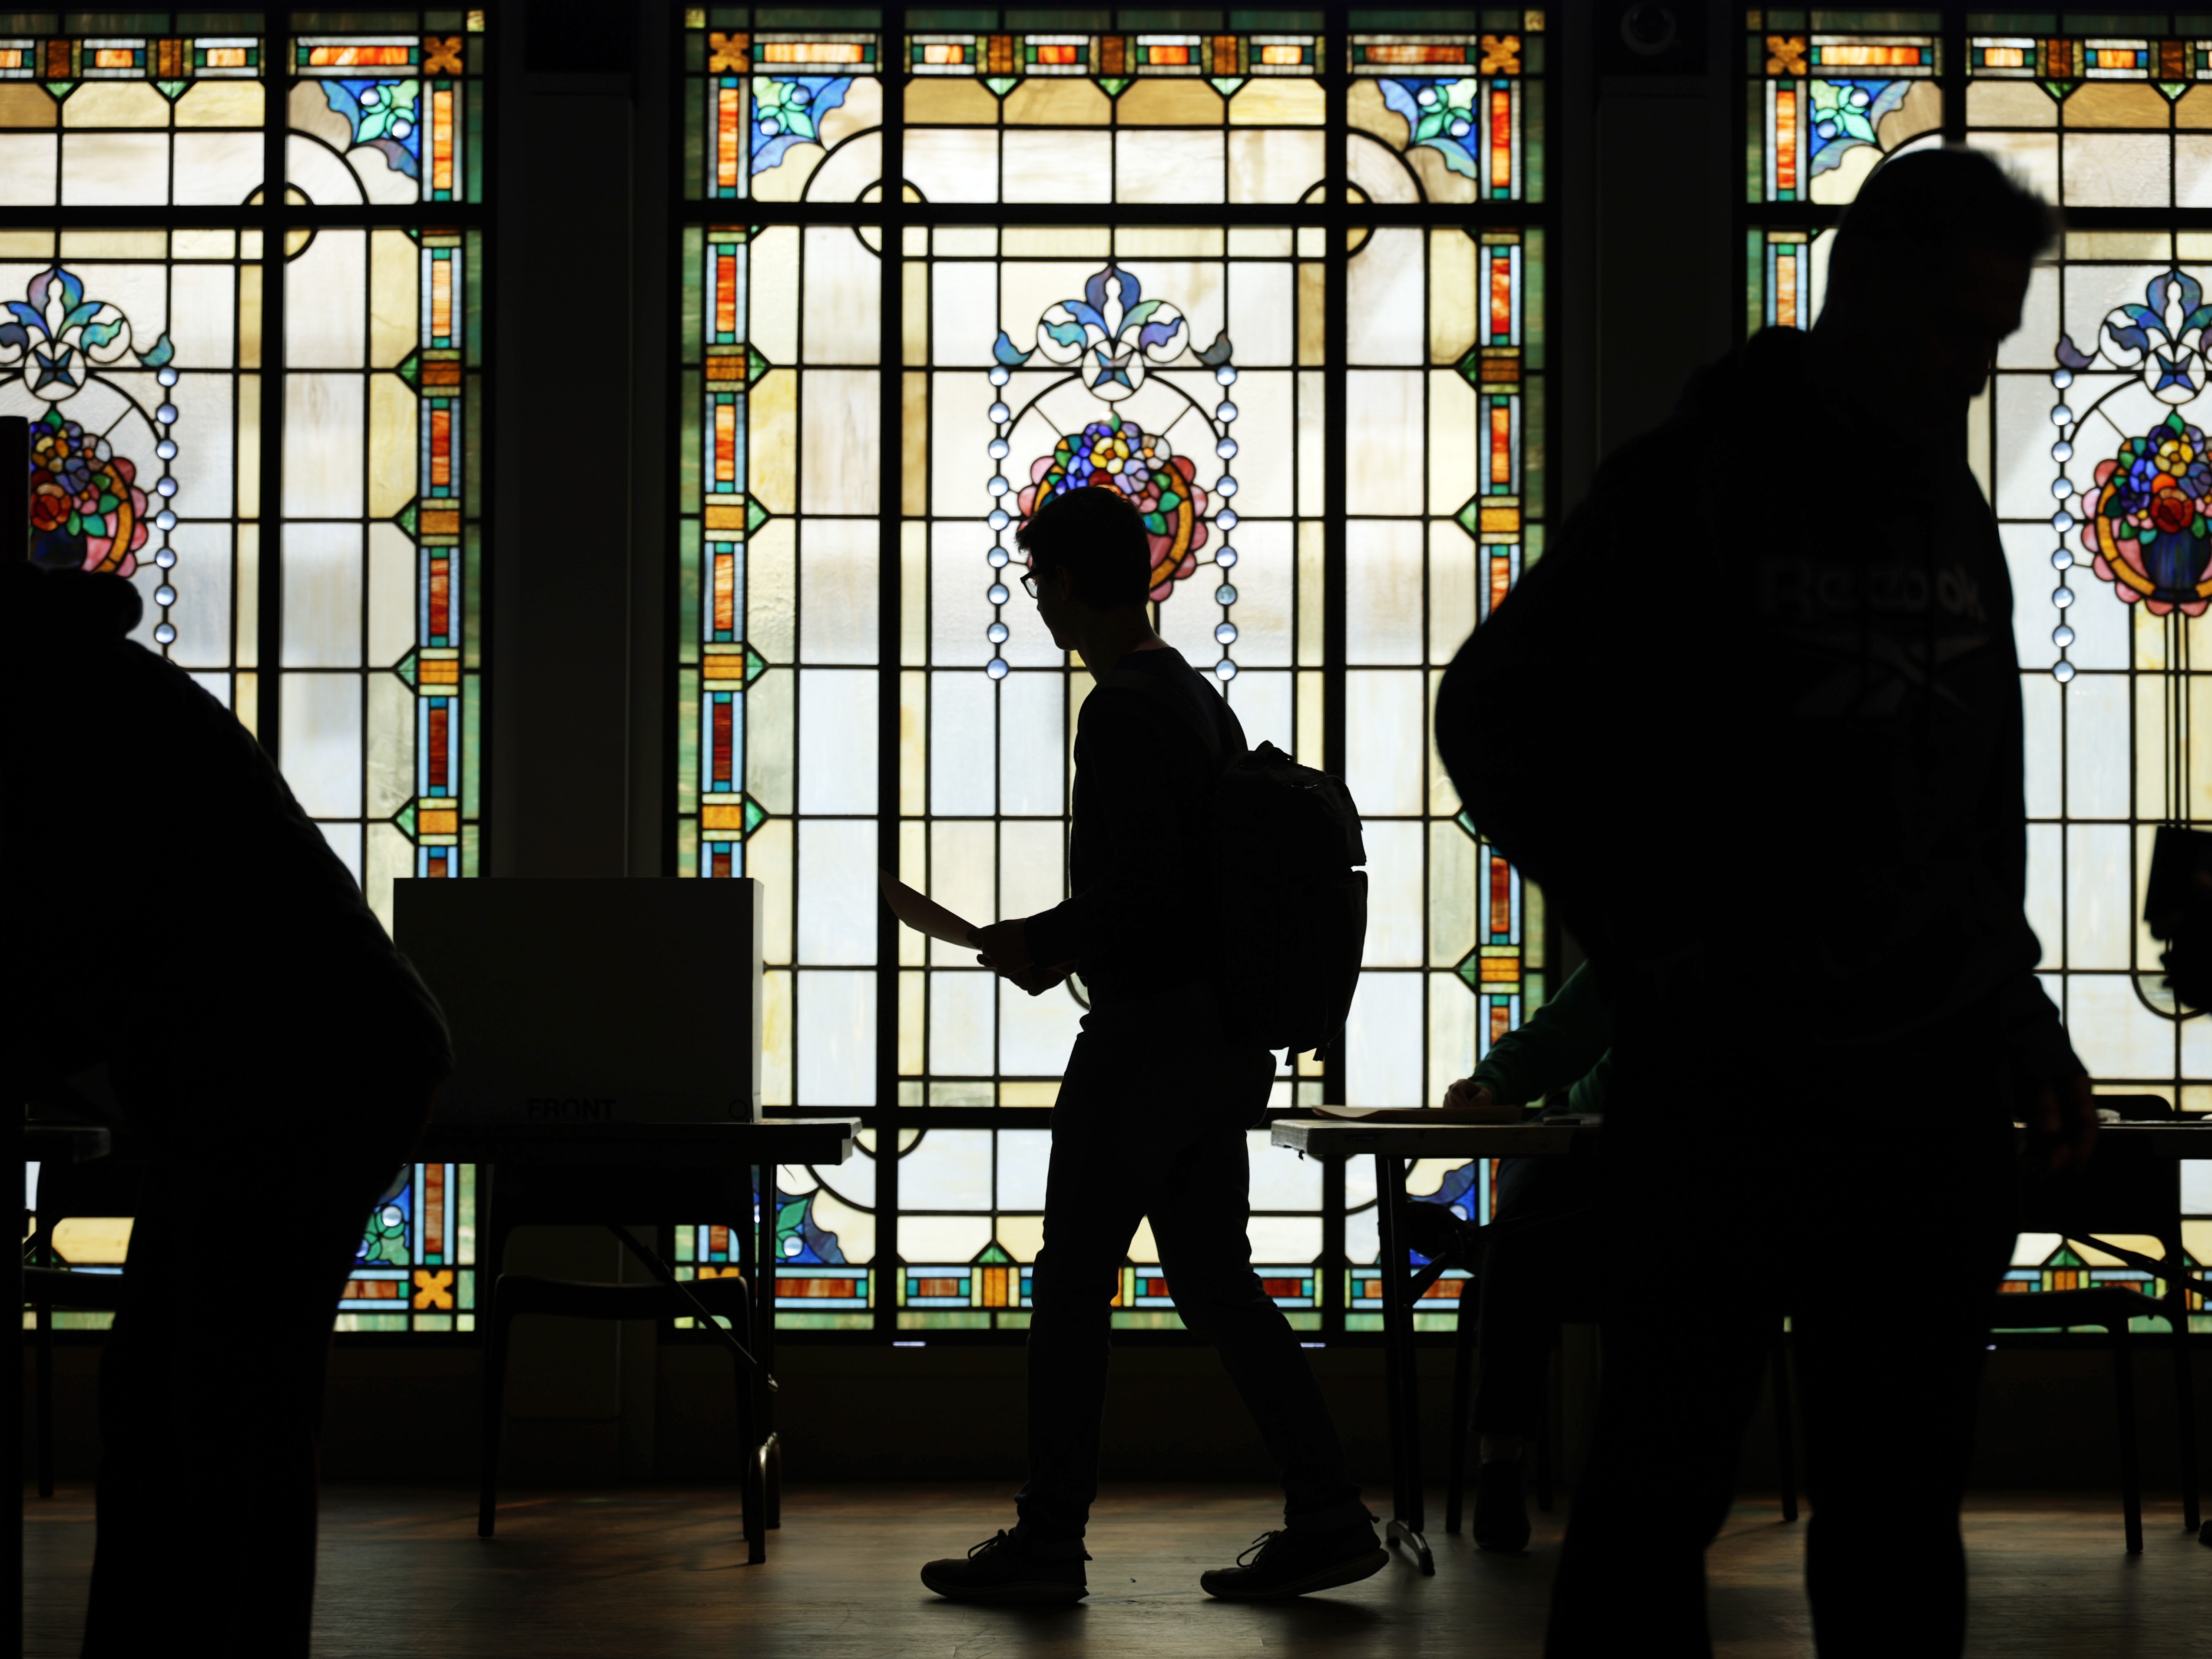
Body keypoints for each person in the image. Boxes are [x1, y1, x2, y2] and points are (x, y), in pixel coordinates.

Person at [1434, 148, 2098, 1657]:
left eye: (1995, 344)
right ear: (1859, 295)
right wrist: (1656, 931)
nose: (1971, 376)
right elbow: (1493, 712)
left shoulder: (1942, 493)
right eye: (1952, 333)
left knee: (1896, 1519)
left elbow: (1957, 799)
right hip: (1738, 1090)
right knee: (1659, 1492)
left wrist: (2021, 1015)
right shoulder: (1698, 481)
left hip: (1922, 1094)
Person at [917, 483, 1383, 1604]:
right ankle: (1326, 1511)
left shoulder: (1119, 710)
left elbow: (1140, 895)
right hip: (1218, 1038)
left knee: (1074, 1278)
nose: (1037, 602)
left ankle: (1047, 1541)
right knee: (1216, 1278)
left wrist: (1043, 939)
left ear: (1066, 584)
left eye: (1038, 583)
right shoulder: (1194, 698)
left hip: (1146, 1038)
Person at [1, 562, 450, 1656]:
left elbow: (52, 946)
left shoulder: (56, 715)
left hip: (293, 1071)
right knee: (188, 1402)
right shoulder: (87, 686)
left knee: (211, 1408)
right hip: (325, 1057)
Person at [1436, 960, 1611, 1554]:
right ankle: (1501, 1459)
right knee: (1519, 1237)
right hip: (1580, 1140)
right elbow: (1555, 1036)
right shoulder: (1643, 945)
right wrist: (1492, 1086)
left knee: (1517, 1250)